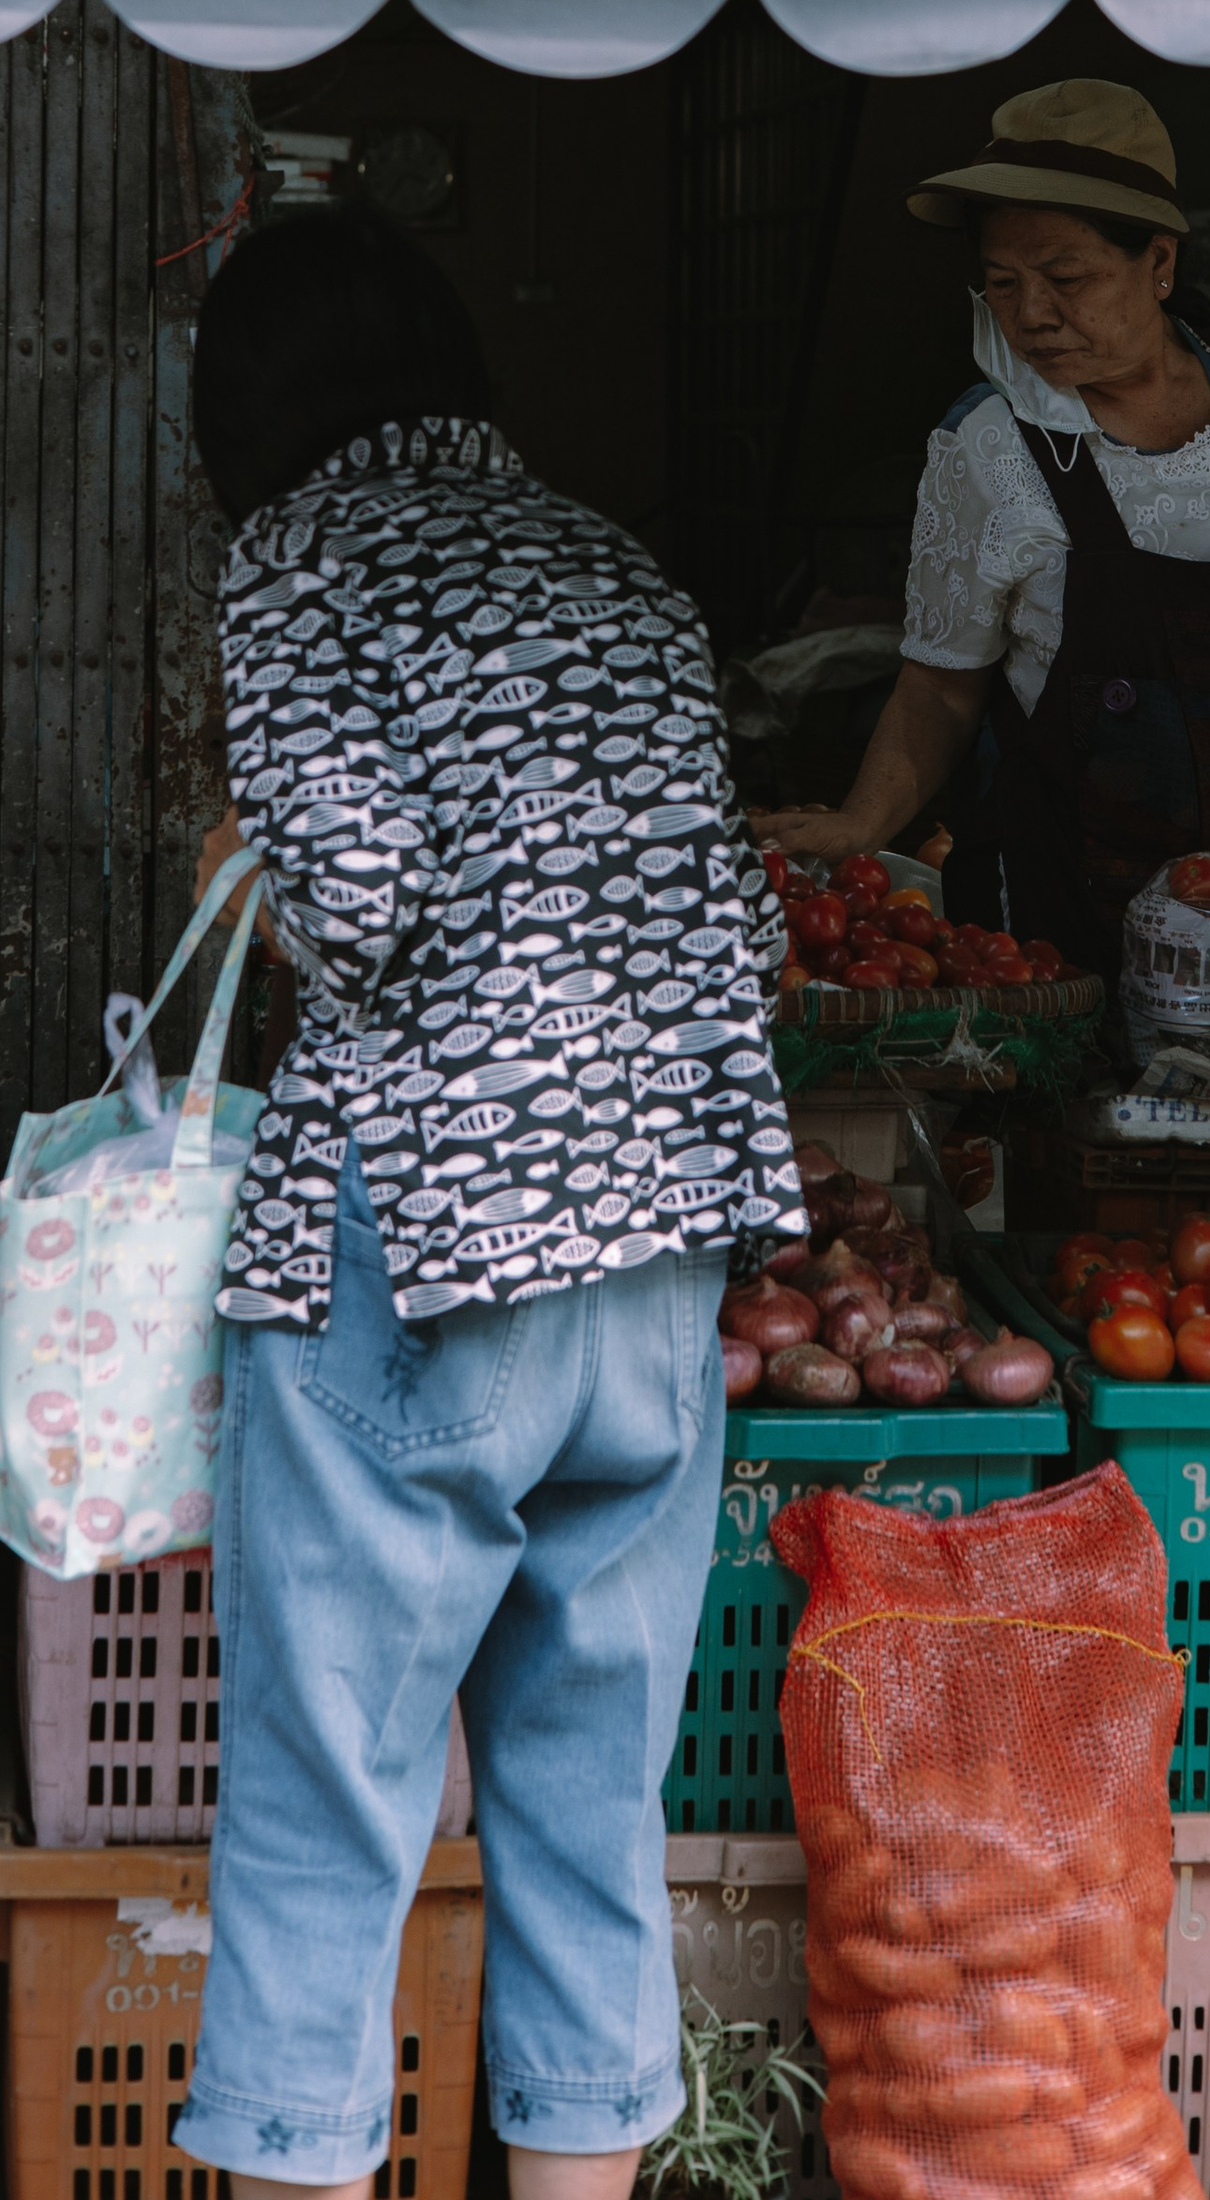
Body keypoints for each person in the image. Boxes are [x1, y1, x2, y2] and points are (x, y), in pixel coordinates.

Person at [170, 205, 804, 2200]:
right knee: (586, 1797)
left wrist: (248, 865)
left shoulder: (294, 564)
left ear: (244, 415)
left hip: (425, 1250)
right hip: (651, 1267)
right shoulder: (617, 568)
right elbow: (744, 916)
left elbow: (356, 902)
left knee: (323, 1801)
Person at [759, 77, 1210, 980]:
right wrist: (861, 821)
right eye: (1002, 284)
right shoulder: (991, 449)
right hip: (1082, 944)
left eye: (1068, 279)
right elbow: (941, 689)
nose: (1033, 315)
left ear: (1159, 263)